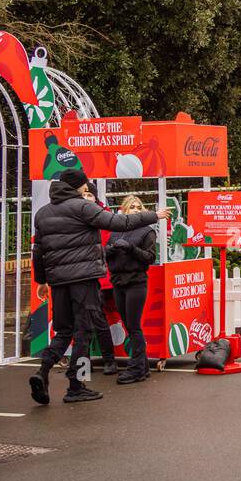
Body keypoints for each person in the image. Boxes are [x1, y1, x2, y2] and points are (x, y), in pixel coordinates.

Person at [29, 168, 168, 404]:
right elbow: (118, 221)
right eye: (85, 185)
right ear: (80, 186)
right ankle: (76, 385)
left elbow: (38, 251)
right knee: (83, 332)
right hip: (84, 280)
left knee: (63, 331)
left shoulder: (43, 213)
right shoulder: (83, 207)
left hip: (58, 281)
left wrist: (41, 281)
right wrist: (154, 215)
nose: (87, 188)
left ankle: (42, 371)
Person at [104, 195, 158, 385]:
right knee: (129, 326)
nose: (136, 210)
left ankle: (136, 369)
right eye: (132, 207)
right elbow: (105, 256)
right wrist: (109, 251)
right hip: (118, 282)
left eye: (139, 207)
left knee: (134, 327)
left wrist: (131, 248)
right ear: (124, 210)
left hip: (136, 282)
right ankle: (142, 368)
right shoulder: (115, 231)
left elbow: (150, 258)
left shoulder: (147, 232)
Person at [82, 188, 119, 375]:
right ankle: (82, 364)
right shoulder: (74, 216)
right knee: (81, 323)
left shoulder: (104, 217)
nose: (87, 198)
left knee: (98, 319)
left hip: (100, 277)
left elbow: (109, 246)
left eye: (90, 195)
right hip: (80, 276)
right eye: (84, 195)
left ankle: (109, 360)